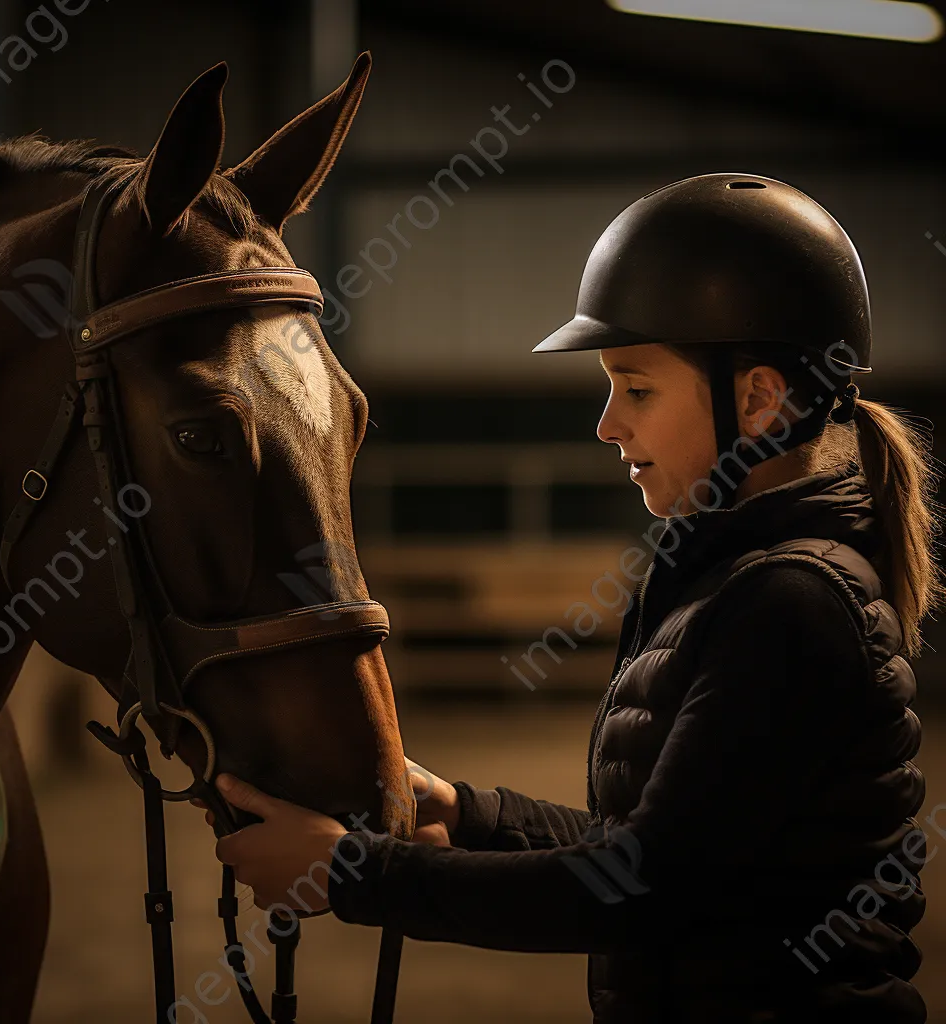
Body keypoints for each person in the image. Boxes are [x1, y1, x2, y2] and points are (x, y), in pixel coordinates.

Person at [205, 173, 945, 1023]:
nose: (608, 424)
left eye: (636, 389)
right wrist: (472, 814)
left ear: (759, 399)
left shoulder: (791, 604)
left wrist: (352, 875)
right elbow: (659, 848)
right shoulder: (731, 583)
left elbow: (639, 888)